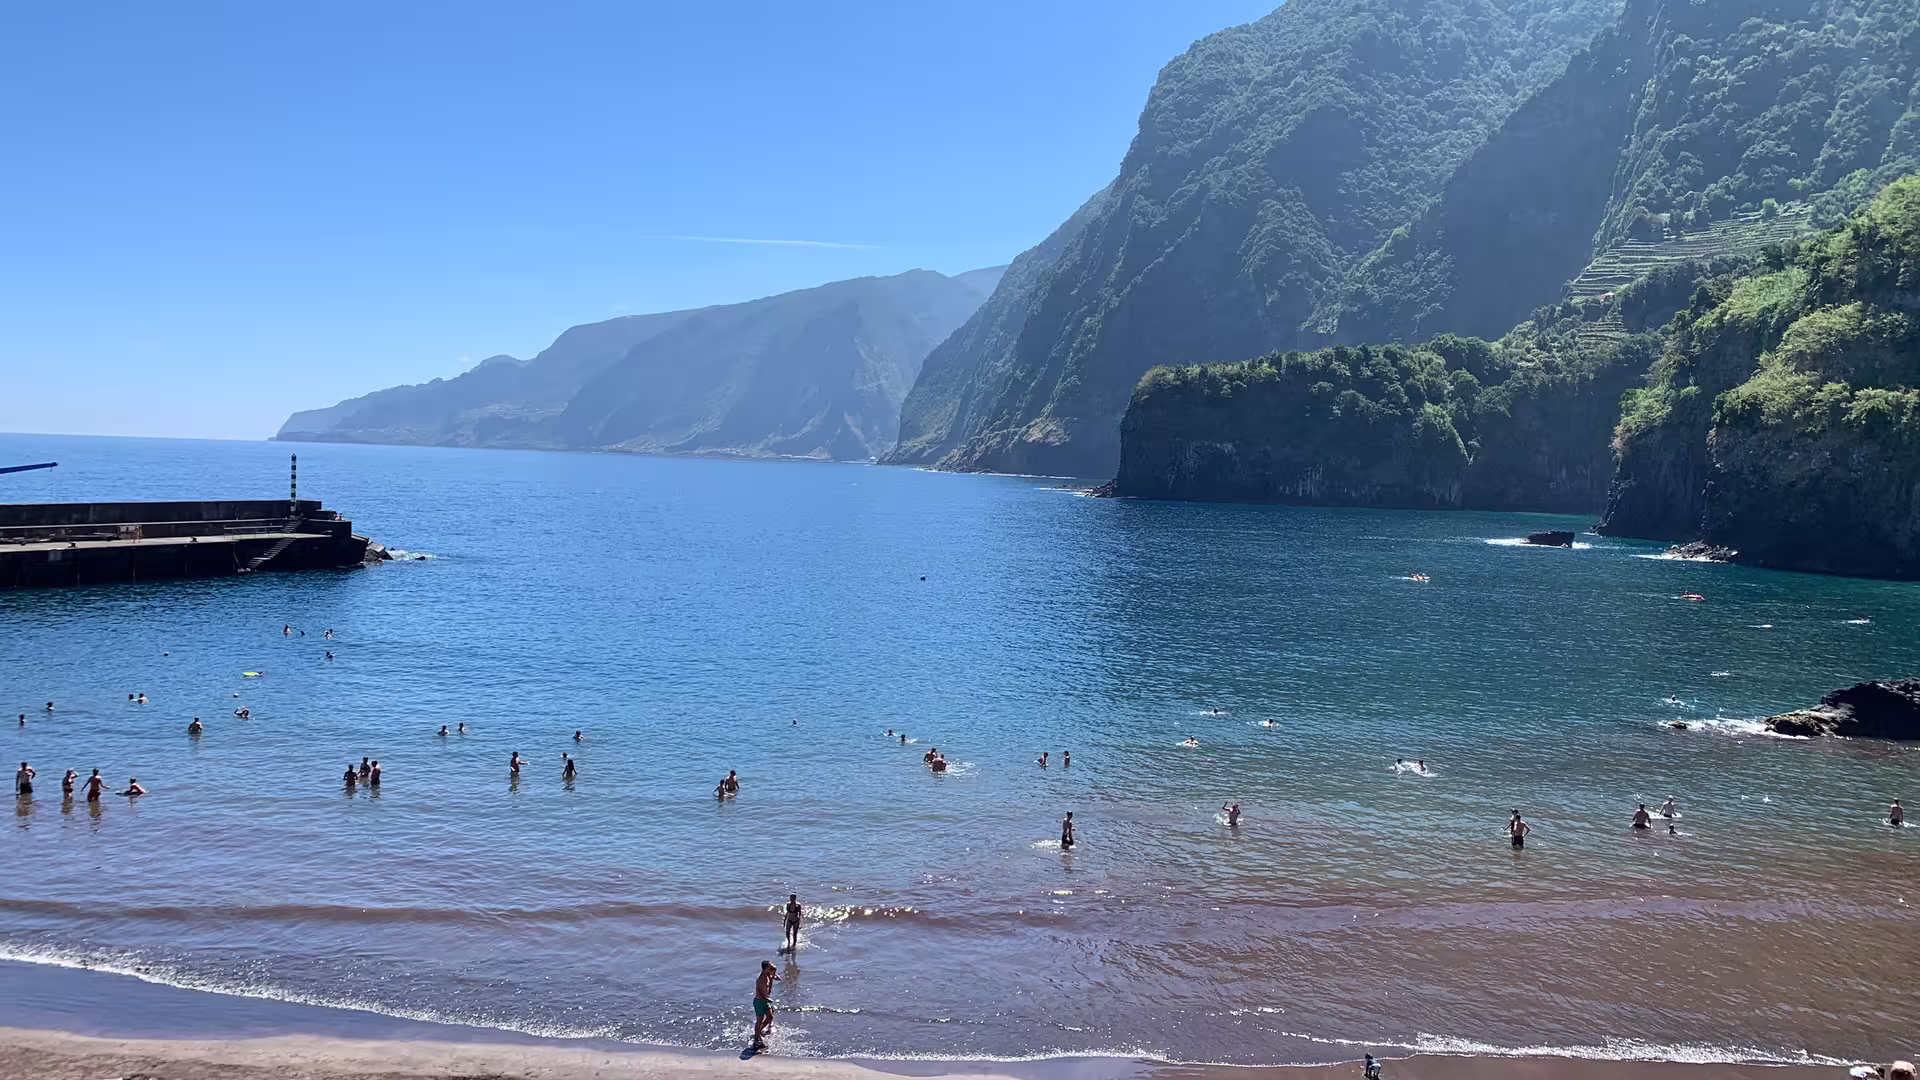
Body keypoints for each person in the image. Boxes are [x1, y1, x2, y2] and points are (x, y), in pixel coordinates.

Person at [751, 960, 779, 1050]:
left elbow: (778, 979)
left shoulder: (767, 975)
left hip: (765, 1000)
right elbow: (762, 993)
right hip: (760, 1001)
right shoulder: (762, 979)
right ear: (764, 969)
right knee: (759, 1020)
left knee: (770, 1016)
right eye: (769, 967)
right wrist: (768, 1000)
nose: (770, 968)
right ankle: (756, 1040)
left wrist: (773, 973)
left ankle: (758, 1032)